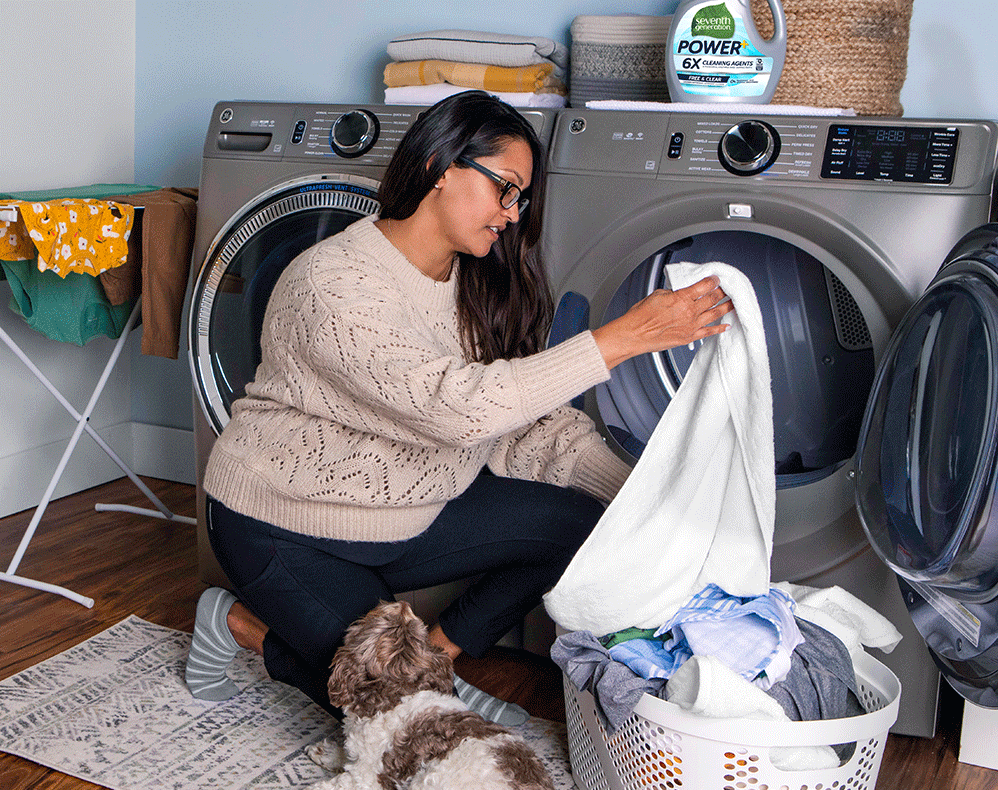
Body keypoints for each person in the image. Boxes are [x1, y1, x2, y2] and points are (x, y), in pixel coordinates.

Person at [184, 90, 733, 724]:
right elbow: (455, 408)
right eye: (505, 187)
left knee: (581, 526)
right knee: (403, 717)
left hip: (408, 511)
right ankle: (236, 623)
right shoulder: (329, 282)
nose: (512, 213)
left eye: (520, 198)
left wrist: (647, 502)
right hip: (282, 523)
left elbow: (523, 427)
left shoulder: (476, 286)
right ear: (440, 167)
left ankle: (436, 660)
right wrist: (625, 338)